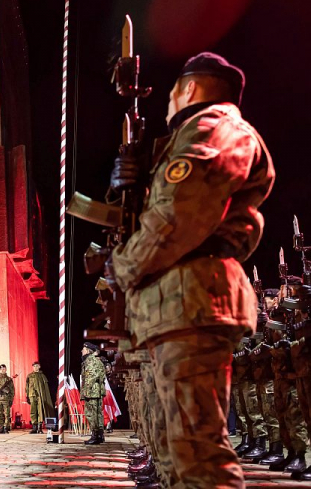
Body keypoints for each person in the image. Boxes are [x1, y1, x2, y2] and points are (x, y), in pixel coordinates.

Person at [106, 52, 275, 488]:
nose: (165, 105)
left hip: (193, 301)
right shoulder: (196, 134)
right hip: (178, 304)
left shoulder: (213, 127)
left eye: (169, 95)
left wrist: (122, 265)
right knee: (177, 453)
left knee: (198, 456)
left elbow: (178, 214)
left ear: (189, 90)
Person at [80, 342, 106, 445]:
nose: (82, 351)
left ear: (87, 350)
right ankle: (99, 435)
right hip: (96, 390)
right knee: (98, 413)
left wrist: (86, 391)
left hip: (91, 391)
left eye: (83, 349)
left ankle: (95, 435)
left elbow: (91, 376)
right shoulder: (97, 360)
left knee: (91, 414)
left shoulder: (90, 360)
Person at [25, 361, 53, 434]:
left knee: (40, 411)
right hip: (32, 395)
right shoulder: (29, 376)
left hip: (40, 396)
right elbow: (27, 387)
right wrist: (27, 395)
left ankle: (39, 428)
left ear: (39, 367)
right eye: (34, 366)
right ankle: (34, 427)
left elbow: (45, 388)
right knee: (33, 411)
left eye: (37, 366)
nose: (35, 367)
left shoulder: (42, 376)